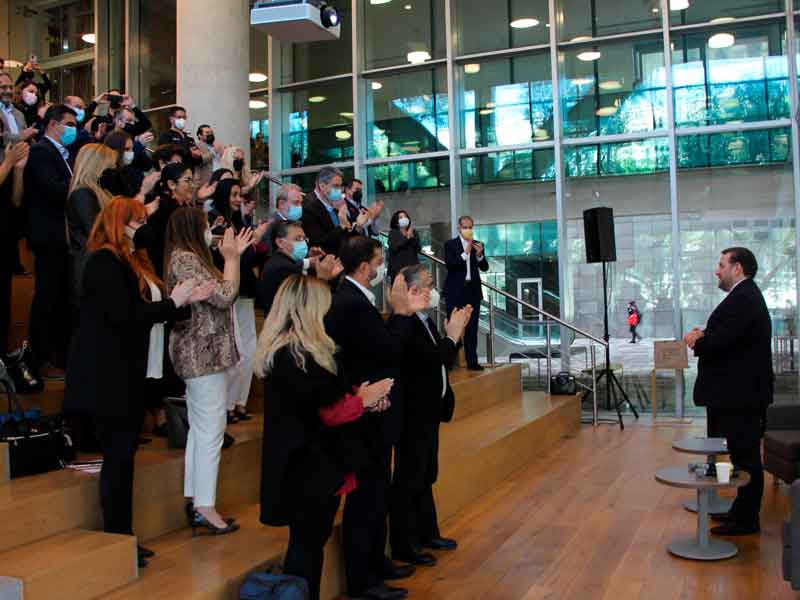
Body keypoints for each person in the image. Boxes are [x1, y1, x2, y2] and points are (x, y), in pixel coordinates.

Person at [64, 197, 214, 568]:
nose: (142, 226)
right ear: (120, 222)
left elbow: (147, 309)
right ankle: (119, 538)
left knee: (125, 458)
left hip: (128, 372)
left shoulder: (130, 260)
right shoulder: (102, 261)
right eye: (137, 220)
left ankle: (124, 536)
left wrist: (183, 299)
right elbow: (126, 316)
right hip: (108, 375)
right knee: (118, 459)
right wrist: (175, 301)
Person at [257, 274, 393, 600]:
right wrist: (364, 399)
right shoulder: (292, 355)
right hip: (306, 467)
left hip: (314, 465)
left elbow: (327, 397)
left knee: (310, 545)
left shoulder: (299, 350)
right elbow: (326, 409)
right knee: (306, 548)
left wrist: (362, 398)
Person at [325, 236, 428, 600]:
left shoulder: (358, 300)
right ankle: (362, 579)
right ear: (366, 267)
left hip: (377, 407)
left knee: (378, 493)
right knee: (366, 499)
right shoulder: (350, 303)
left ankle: (376, 562)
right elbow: (385, 349)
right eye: (380, 259)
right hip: (365, 413)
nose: (384, 266)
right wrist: (402, 314)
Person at [165, 207, 253, 535]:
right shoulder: (185, 258)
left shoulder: (188, 256)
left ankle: (197, 499)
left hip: (206, 354)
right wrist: (232, 259)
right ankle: (205, 506)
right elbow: (225, 296)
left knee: (202, 431)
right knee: (211, 430)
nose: (210, 231)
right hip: (201, 355)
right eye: (205, 225)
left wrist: (232, 258)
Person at [684, 247, 773, 536]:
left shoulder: (743, 298)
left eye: (721, 264)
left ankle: (747, 520)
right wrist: (704, 336)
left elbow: (722, 342)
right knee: (742, 455)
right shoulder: (743, 297)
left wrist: (697, 340)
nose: (716, 270)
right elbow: (727, 337)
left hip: (742, 395)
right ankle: (741, 513)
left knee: (746, 458)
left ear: (738, 268)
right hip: (740, 394)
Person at [389, 265, 470, 567]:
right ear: (409, 291)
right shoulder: (405, 324)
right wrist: (452, 336)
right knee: (410, 477)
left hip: (429, 410)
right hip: (412, 413)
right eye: (425, 286)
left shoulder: (424, 320)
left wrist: (454, 336)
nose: (431, 291)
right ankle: (404, 543)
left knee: (425, 474)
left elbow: (442, 359)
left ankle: (426, 533)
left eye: (431, 285)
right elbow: (427, 361)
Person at [24, 104, 78, 378]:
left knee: (62, 299)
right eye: (69, 123)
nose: (73, 129)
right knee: (47, 298)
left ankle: (59, 356)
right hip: (49, 235)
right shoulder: (41, 152)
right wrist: (79, 182)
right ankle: (41, 357)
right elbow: (51, 191)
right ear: (54, 124)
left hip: (64, 237)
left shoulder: (65, 155)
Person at [208, 179, 268, 424]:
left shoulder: (236, 221)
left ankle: (237, 403)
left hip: (244, 291)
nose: (236, 199)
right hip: (226, 291)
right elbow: (224, 258)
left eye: (238, 195)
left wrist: (254, 243)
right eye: (233, 194)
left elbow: (249, 258)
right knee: (237, 352)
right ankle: (228, 405)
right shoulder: (215, 220)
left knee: (248, 351)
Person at [66, 143, 120, 304]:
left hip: (99, 261)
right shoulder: (83, 193)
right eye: (109, 167)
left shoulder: (101, 191)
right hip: (90, 265)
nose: (113, 170)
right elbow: (96, 230)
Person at [258, 220, 342, 316]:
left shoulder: (281, 261)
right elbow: (307, 302)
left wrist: (310, 261)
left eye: (304, 239)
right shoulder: (283, 268)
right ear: (280, 242)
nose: (303, 243)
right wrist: (323, 278)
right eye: (298, 239)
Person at [443, 216, 489, 371]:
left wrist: (479, 255)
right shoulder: (450, 245)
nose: (468, 230)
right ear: (459, 228)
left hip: (472, 291)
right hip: (455, 292)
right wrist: (465, 253)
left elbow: (484, 268)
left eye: (470, 227)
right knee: (453, 327)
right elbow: (451, 265)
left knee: (472, 329)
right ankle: (448, 361)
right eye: (465, 227)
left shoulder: (478, 244)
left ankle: (472, 361)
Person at [0, 140, 28, 354]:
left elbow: (16, 200)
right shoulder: (5, 162)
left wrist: (18, 170)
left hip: (5, 242)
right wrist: (9, 163)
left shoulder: (4, 161)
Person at [146, 163, 196, 278]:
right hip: (166, 271)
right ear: (172, 184)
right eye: (187, 180)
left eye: (192, 180)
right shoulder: (162, 208)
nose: (192, 185)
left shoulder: (181, 208)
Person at [302, 167, 354, 255]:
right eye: (336, 186)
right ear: (322, 186)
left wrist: (358, 226)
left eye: (341, 186)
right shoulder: (308, 206)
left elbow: (349, 233)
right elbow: (320, 242)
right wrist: (341, 226)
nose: (340, 190)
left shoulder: (336, 203)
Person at [264, 183, 304, 255]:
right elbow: (272, 256)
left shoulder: (297, 223)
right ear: (281, 204)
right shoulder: (270, 226)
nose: (300, 207)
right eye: (296, 203)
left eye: (301, 203)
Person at [0, 72, 35, 143]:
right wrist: (20, 136)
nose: (9, 91)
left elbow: (26, 138)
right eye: (4, 87)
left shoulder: (20, 114)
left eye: (11, 87)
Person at [388, 211, 421, 283]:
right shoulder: (393, 233)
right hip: (398, 269)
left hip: (412, 268)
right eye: (401, 217)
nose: (404, 218)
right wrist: (407, 237)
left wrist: (412, 238)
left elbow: (418, 248)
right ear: (396, 222)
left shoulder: (414, 232)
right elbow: (394, 247)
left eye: (405, 216)